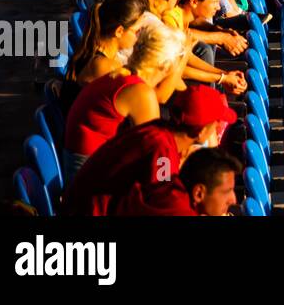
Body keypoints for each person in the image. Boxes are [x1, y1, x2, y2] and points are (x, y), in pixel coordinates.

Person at [61, 85, 237, 216]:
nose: (217, 127)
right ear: (200, 131)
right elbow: (164, 197)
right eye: (215, 123)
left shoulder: (158, 132)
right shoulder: (161, 149)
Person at [62, 19, 186, 175]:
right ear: (167, 65)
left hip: (85, 168)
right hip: (92, 179)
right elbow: (156, 154)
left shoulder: (121, 75)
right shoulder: (140, 93)